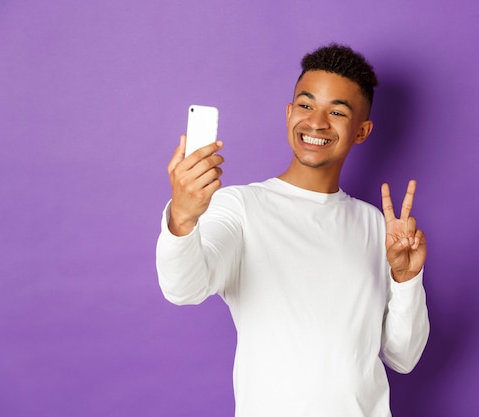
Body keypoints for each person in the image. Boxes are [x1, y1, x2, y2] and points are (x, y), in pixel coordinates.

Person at [156, 43, 429, 417]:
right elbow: (182, 289)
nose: (316, 122)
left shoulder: (378, 227)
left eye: (336, 111)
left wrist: (406, 279)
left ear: (362, 131)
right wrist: (183, 219)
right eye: (305, 105)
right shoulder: (240, 207)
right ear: (288, 113)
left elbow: (403, 356)